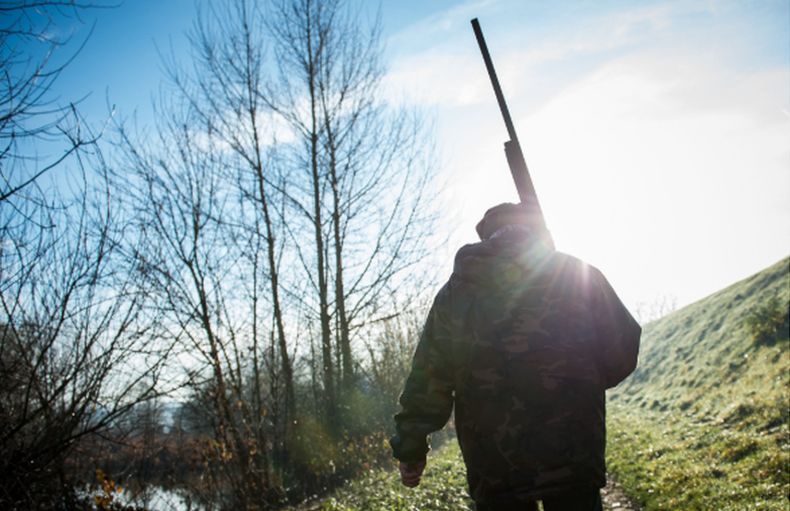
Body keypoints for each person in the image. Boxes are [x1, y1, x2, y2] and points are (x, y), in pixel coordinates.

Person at [390, 202, 641, 511]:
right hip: (574, 454)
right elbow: (623, 350)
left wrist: (411, 446)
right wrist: (579, 382)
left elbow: (430, 376)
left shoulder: (455, 295)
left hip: (495, 467)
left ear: (488, 236)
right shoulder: (579, 274)